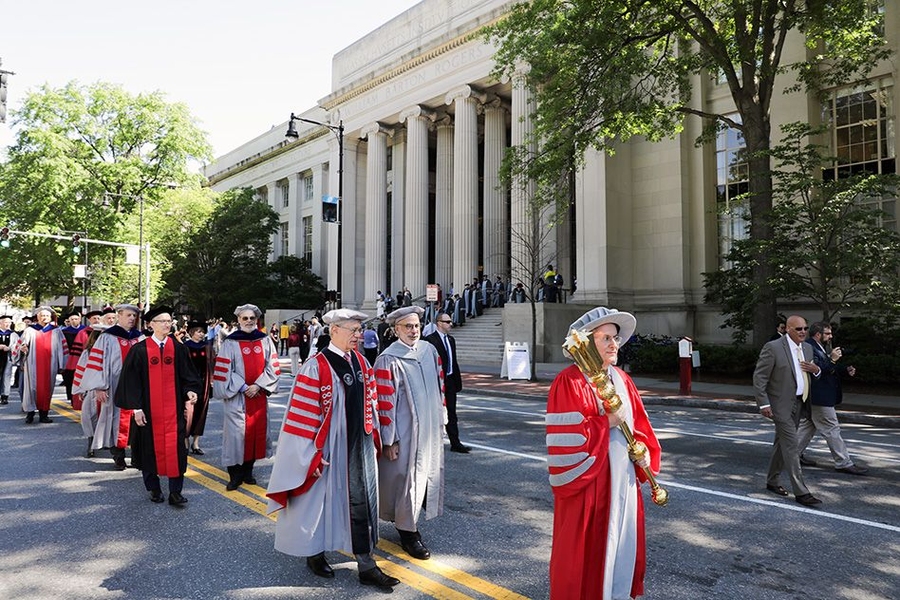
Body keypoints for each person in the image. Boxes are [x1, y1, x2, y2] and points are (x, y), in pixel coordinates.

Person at [266, 308, 400, 593]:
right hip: (327, 449)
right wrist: (308, 456)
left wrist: (378, 437)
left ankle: (366, 564)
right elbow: (301, 418)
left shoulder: (363, 363)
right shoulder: (316, 366)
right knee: (320, 503)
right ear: (334, 331)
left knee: (362, 502)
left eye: (359, 331)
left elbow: (373, 405)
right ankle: (315, 553)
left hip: (358, 447)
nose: (358, 335)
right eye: (352, 331)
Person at [547, 307, 661, 599]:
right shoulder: (570, 381)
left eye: (616, 338)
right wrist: (608, 421)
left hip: (623, 482)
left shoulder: (622, 379)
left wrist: (644, 453)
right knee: (586, 556)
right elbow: (566, 440)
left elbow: (641, 427)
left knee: (622, 548)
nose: (614, 344)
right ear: (586, 343)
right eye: (606, 338)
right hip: (590, 486)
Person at [374, 306, 445, 560]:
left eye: (416, 326)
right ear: (396, 330)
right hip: (405, 433)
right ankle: (408, 532)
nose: (413, 331)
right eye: (407, 326)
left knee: (424, 477)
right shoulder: (388, 358)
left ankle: (408, 522)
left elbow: (440, 385)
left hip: (429, 429)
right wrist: (389, 438)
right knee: (407, 479)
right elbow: (384, 401)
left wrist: (442, 418)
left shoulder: (429, 351)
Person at [114, 306, 202, 505]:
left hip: (174, 412)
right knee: (148, 449)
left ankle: (175, 492)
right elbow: (130, 382)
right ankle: (154, 489)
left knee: (177, 449)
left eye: (169, 321)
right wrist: (136, 409)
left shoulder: (178, 348)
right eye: (162, 321)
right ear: (150, 324)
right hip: (148, 412)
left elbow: (188, 375)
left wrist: (190, 391)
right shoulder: (139, 350)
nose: (167, 324)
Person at [753, 314, 823, 506]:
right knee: (792, 445)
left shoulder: (807, 348)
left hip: (800, 403)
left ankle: (772, 481)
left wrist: (816, 370)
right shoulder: (774, 347)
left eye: (805, 328)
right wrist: (764, 404)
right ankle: (801, 492)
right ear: (787, 330)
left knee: (781, 444)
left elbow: (812, 374)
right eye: (798, 329)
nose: (803, 332)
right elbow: (760, 378)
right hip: (780, 406)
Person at [212, 304, 281, 491]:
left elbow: (272, 366)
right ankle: (235, 475)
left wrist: (258, 385)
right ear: (239, 320)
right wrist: (243, 387)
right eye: (245, 318)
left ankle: (248, 472)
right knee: (235, 437)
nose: (249, 321)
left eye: (252, 318)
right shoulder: (230, 342)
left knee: (254, 434)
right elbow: (225, 370)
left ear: (257, 320)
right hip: (238, 397)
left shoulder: (265, 340)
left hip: (258, 395)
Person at [77, 303, 144, 469]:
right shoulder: (107, 337)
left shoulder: (140, 337)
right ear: (119, 316)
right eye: (128, 315)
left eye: (134, 316)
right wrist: (99, 386)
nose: (132, 318)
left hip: (137, 387)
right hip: (114, 386)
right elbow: (97, 363)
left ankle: (137, 457)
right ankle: (118, 456)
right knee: (115, 420)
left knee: (138, 421)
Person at [796, 322, 868, 475]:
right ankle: (843, 462)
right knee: (831, 428)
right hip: (819, 397)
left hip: (819, 397)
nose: (831, 336)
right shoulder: (809, 347)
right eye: (828, 333)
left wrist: (844, 369)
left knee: (807, 428)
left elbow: (827, 368)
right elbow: (817, 371)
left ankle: (792, 455)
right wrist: (833, 360)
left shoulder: (818, 346)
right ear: (818, 334)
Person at [425, 311, 469, 453]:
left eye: (450, 322)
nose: (450, 324)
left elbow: (453, 361)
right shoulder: (430, 340)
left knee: (452, 413)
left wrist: (457, 381)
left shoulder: (451, 340)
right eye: (447, 322)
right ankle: (431, 443)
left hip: (449, 381)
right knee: (435, 413)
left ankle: (455, 443)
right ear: (439, 323)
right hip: (436, 382)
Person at [13, 307, 66, 424]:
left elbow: (62, 349)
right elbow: (22, 344)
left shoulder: (56, 331)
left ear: (50, 317)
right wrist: (23, 348)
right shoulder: (30, 330)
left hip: (50, 365)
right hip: (32, 363)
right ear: (38, 317)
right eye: (42, 315)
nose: (45, 318)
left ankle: (44, 414)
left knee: (47, 389)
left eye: (47, 316)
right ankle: (30, 413)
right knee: (31, 388)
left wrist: (61, 364)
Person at [72, 322, 109, 457]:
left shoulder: (112, 351)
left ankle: (107, 442)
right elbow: (81, 370)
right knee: (89, 415)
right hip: (92, 389)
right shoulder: (88, 352)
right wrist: (80, 389)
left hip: (109, 389)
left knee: (107, 416)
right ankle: (91, 441)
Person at [183, 321, 213, 455]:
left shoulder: (207, 347)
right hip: (188, 384)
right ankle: (185, 442)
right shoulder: (184, 347)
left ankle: (196, 443)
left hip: (204, 383)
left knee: (201, 412)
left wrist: (212, 382)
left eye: (202, 331)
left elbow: (213, 365)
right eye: (198, 331)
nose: (201, 334)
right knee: (187, 413)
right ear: (191, 332)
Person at [60, 311, 86, 404]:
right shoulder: (64, 332)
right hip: (69, 358)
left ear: (80, 319)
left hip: (82, 357)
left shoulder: (85, 330)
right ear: (69, 321)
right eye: (72, 319)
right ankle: (72, 398)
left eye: (76, 319)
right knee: (70, 378)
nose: (74, 321)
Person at [0, 315, 19, 405]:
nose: (8, 324)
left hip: (8, 357)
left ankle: (5, 396)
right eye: (5, 322)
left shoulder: (13, 334)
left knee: (6, 376)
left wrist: (10, 348)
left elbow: (17, 344)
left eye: (9, 322)